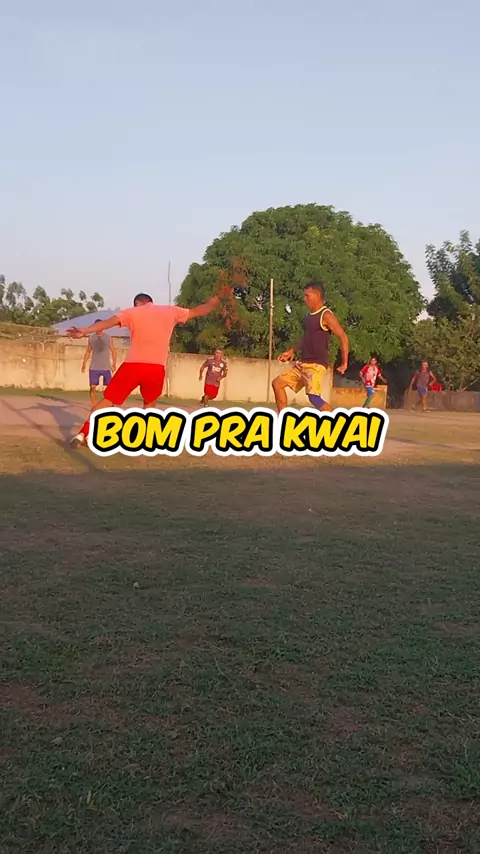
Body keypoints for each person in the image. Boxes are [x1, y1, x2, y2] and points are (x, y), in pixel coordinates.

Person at [66, 292, 220, 448]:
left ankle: (83, 434)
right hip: (156, 368)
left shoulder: (132, 312)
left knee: (108, 400)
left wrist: (85, 331)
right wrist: (211, 304)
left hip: (132, 365)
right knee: (149, 403)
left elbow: (107, 323)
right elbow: (196, 311)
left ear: (138, 303)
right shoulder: (170, 311)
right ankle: (141, 438)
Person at [272, 281, 349, 413]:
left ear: (317, 295)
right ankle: (283, 419)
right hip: (302, 364)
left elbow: (343, 337)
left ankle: (337, 422)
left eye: (307, 295)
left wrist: (344, 362)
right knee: (277, 384)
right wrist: (291, 351)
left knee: (314, 397)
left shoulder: (326, 315)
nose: (305, 299)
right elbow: (306, 338)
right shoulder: (308, 316)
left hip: (316, 366)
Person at [81, 319, 117, 406]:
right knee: (92, 387)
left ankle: (111, 405)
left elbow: (113, 351)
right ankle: (94, 405)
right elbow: (88, 351)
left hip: (106, 366)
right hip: (94, 367)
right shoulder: (91, 338)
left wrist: (114, 363)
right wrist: (84, 363)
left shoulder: (108, 337)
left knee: (110, 388)